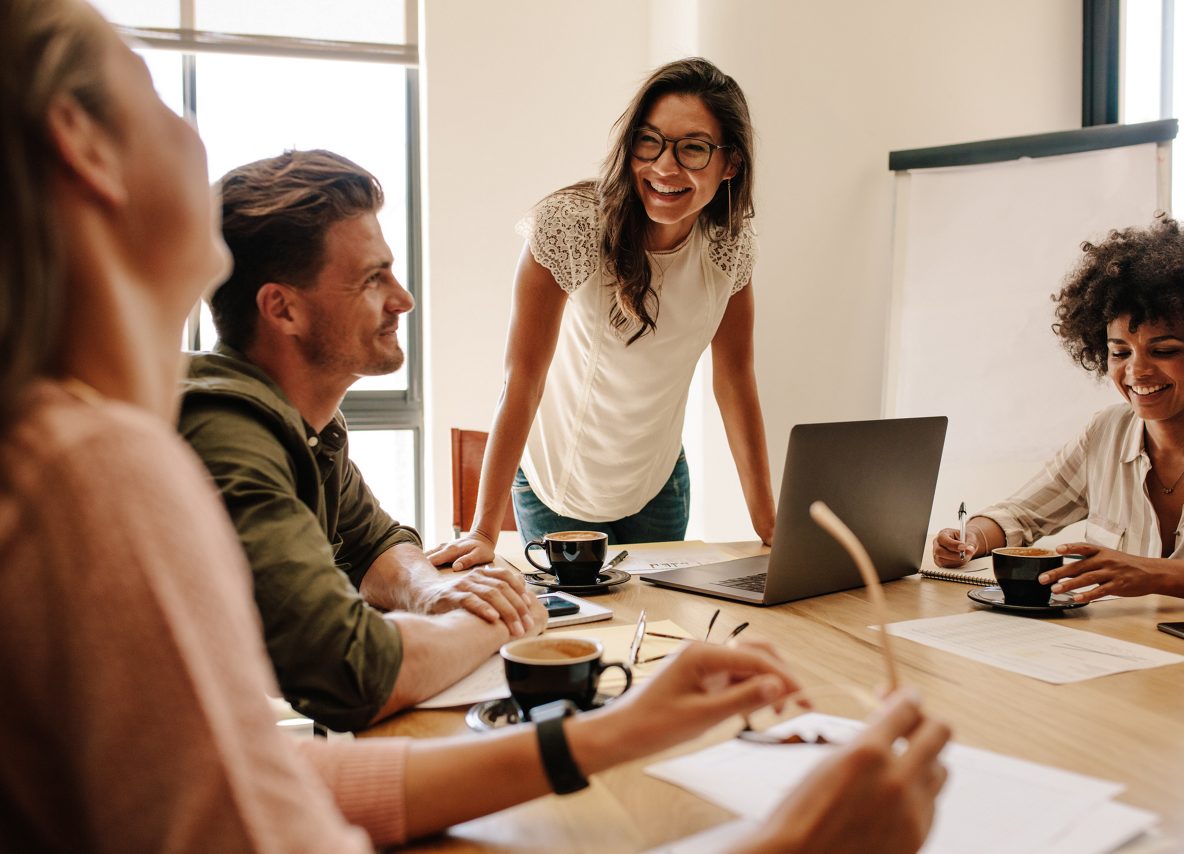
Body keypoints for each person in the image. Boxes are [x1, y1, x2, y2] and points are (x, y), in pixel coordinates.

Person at [0, 2, 951, 849]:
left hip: (647, 488)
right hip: (558, 489)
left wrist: (613, 729)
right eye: (161, 101)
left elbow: (265, 776)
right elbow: (335, 697)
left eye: (697, 149)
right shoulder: (105, 469)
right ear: (81, 142)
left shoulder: (236, 433)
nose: (405, 299)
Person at [178, 149, 543, 731]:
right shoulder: (228, 435)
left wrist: (433, 593)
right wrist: (497, 621)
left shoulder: (306, 421)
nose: (403, 300)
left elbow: (370, 542)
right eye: (373, 279)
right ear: (283, 309)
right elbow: (349, 673)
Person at [428, 58, 775, 571]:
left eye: (694, 148)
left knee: (658, 633)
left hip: (659, 484)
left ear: (731, 164)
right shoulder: (570, 227)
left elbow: (735, 380)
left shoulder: (729, 246)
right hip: (558, 488)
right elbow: (522, 378)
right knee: (578, 631)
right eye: (649, 141)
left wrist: (768, 522)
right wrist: (482, 530)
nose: (664, 166)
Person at [933, 218, 1184, 608]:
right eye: (1120, 352)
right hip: (1117, 654)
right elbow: (1021, 515)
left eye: (1164, 351)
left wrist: (1149, 573)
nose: (1137, 372)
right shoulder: (1106, 431)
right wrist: (972, 538)